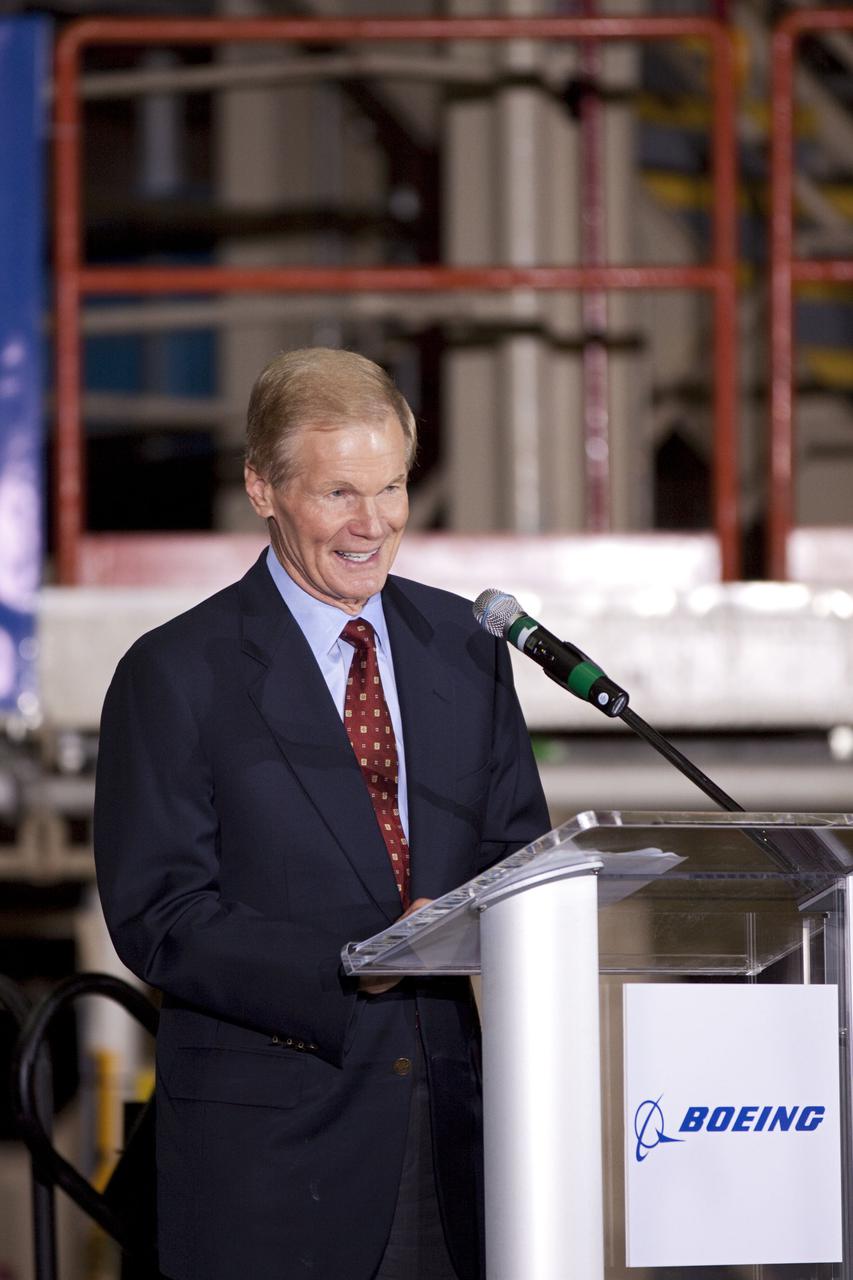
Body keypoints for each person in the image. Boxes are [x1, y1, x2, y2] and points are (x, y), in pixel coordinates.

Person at [93, 347, 549, 1280]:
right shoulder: (176, 673)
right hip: (268, 1168)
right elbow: (161, 917)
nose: (372, 525)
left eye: (390, 489)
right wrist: (358, 959)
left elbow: (517, 857)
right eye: (339, 493)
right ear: (262, 486)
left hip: (451, 1151)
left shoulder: (467, 647)